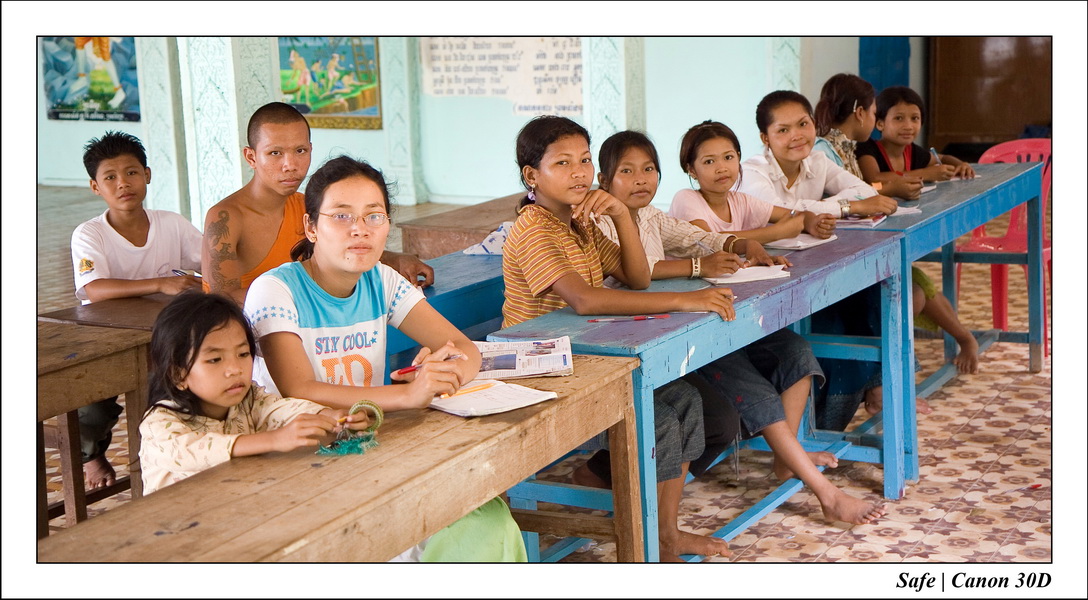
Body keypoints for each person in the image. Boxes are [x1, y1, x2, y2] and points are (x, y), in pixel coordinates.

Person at [595, 130, 885, 529]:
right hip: (655, 339)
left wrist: (737, 246)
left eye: (648, 169)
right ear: (604, 179)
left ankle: (788, 459)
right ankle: (827, 495)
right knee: (750, 388)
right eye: (627, 171)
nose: (641, 179)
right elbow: (635, 274)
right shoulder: (601, 223)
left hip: (698, 321)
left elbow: (698, 238)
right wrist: (700, 267)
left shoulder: (651, 216)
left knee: (796, 353)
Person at [244, 155, 525, 562]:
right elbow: (298, 388)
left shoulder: (381, 279)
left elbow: (463, 349)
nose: (359, 229)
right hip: (300, 460)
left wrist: (441, 374)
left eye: (373, 216)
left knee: (487, 520)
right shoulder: (275, 290)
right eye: (341, 216)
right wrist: (410, 396)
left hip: (366, 446)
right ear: (311, 227)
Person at [502, 115, 749, 561]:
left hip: (586, 355)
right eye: (562, 163)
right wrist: (683, 302)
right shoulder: (534, 226)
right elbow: (586, 301)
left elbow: (636, 277)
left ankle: (665, 532)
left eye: (582, 160)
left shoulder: (580, 223)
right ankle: (650, 536)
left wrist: (618, 212)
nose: (578, 172)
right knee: (656, 418)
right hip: (540, 367)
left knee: (687, 403)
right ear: (531, 176)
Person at [738, 90, 900, 430]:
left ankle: (867, 396)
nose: (797, 135)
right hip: (763, 282)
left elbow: (866, 191)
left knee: (869, 294)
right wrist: (845, 207)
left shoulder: (816, 163)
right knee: (837, 328)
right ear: (764, 138)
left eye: (803, 124)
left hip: (809, 270)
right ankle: (825, 425)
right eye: (783, 130)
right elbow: (782, 218)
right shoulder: (752, 172)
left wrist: (831, 207)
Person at [138, 292, 372, 495]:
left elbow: (282, 409)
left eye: (242, 354)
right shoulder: (160, 423)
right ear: (178, 375)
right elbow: (191, 451)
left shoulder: (250, 401)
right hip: (172, 534)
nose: (235, 369)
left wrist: (327, 416)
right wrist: (273, 440)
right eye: (215, 359)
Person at [71, 130, 203, 490]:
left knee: (183, 391)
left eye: (131, 172)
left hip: (164, 336)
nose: (122, 184)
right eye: (109, 177)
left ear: (147, 175)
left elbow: (211, 261)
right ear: (95, 187)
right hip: (104, 340)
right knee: (92, 406)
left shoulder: (171, 223)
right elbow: (94, 289)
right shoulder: (90, 234)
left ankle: (176, 459)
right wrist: (160, 283)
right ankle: (91, 455)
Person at [202, 102, 433, 306]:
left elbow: (339, 247)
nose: (290, 165)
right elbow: (223, 301)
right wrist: (307, 293)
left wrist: (397, 260)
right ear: (251, 157)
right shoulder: (226, 217)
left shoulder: (305, 205)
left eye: (300, 151)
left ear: (311, 150)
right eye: (275, 153)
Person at [850, 85, 980, 380]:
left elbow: (940, 158)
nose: (908, 126)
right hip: (871, 239)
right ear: (879, 123)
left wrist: (960, 165)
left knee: (923, 284)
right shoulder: (868, 150)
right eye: (899, 119)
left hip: (898, 233)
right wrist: (924, 174)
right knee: (917, 288)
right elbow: (874, 178)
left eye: (915, 118)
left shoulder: (915, 153)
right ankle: (896, 365)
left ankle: (966, 339)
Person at [669, 120, 837, 242]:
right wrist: (777, 232)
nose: (722, 168)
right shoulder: (686, 199)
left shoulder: (741, 201)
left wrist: (811, 222)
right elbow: (709, 241)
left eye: (728, 157)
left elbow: (792, 214)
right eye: (709, 162)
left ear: (738, 157)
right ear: (691, 170)